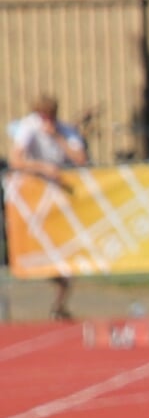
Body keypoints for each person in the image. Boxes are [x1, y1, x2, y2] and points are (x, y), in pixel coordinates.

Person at [6, 94, 89, 320]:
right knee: (31, 252)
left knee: (66, 256)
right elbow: (15, 160)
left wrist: (58, 138)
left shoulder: (64, 130)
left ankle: (59, 305)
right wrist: (43, 167)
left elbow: (81, 159)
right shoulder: (29, 127)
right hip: (32, 198)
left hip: (59, 201)